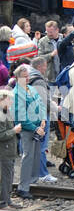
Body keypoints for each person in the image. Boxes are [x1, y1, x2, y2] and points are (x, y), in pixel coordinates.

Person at [12, 64, 44, 200]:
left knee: (36, 155)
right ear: (17, 78)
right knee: (28, 157)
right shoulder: (17, 93)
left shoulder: (30, 88)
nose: (27, 79)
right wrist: (35, 128)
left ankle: (32, 181)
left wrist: (43, 120)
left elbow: (41, 104)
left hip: (38, 128)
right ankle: (23, 187)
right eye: (25, 77)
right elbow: (20, 117)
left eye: (28, 76)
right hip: (28, 130)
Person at [0, 89, 17, 209]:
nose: (11, 101)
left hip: (9, 150)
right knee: (5, 176)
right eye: (9, 99)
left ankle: (7, 200)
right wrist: (14, 131)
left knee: (9, 175)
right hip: (4, 151)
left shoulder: (6, 112)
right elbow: (1, 135)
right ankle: (3, 201)